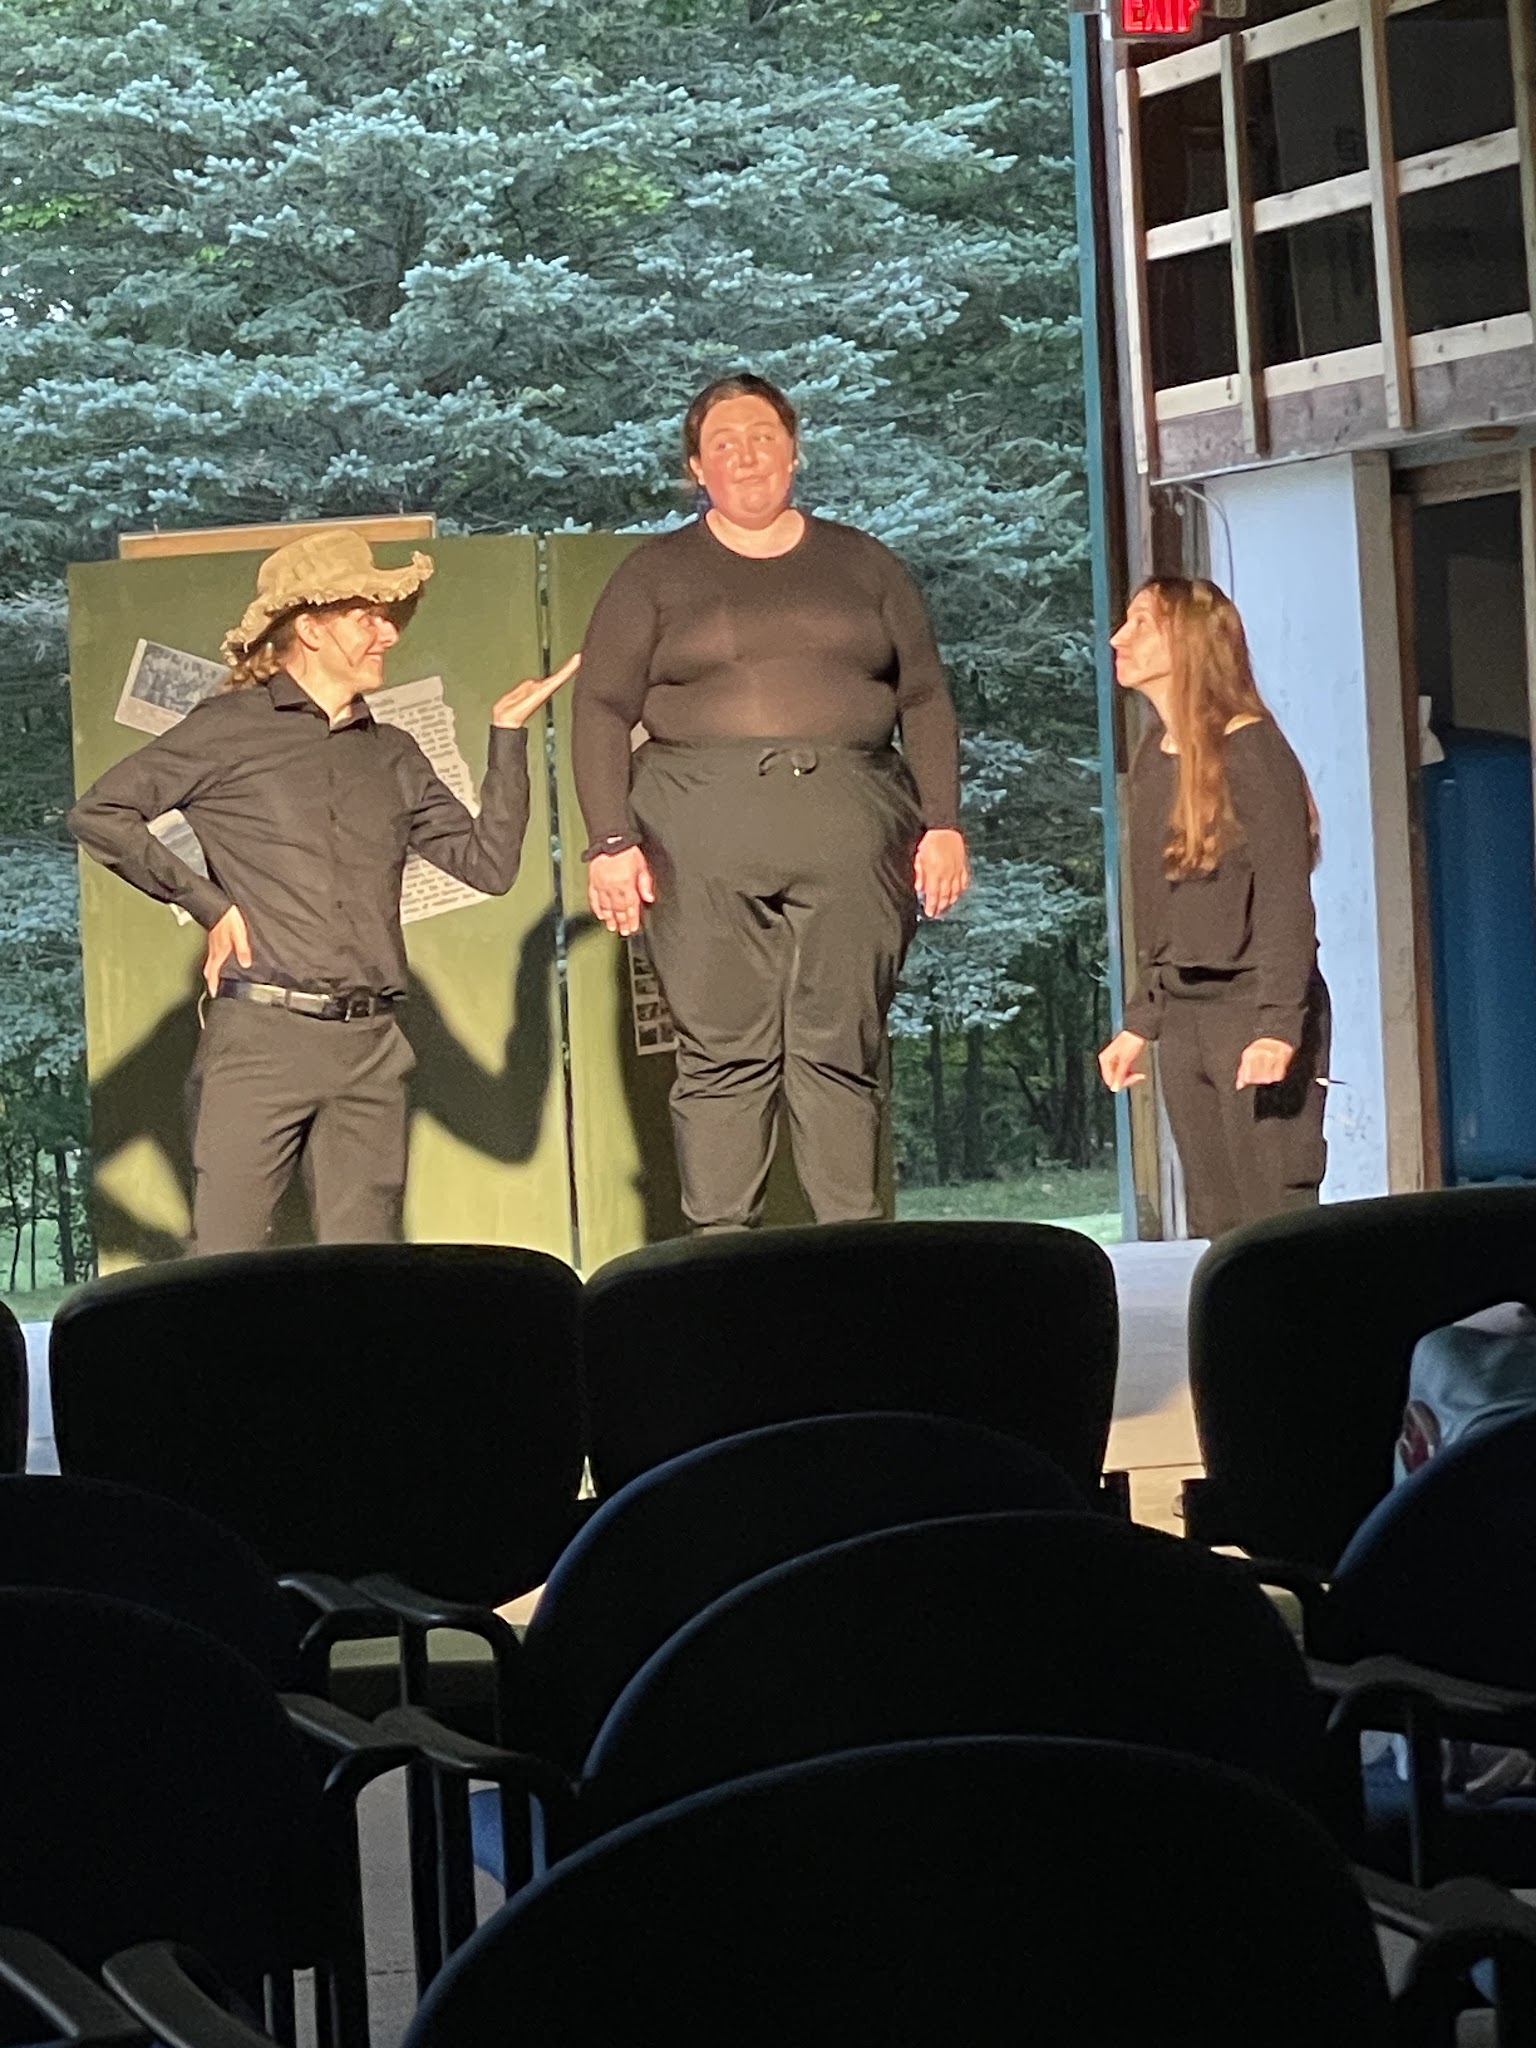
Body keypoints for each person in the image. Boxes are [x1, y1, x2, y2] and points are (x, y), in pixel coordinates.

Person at [69, 526, 576, 1253]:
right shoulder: (228, 730)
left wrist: (507, 736)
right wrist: (209, 905)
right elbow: (100, 813)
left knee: (363, 1277)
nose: (386, 635)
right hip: (262, 1042)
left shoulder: (393, 754)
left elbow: (489, 866)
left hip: (372, 1046)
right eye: (365, 616)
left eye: (386, 617)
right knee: (227, 1263)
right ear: (308, 626)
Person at [572, 372, 969, 1231]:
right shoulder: (656, 574)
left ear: (794, 449)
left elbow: (926, 697)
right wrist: (610, 841)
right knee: (722, 1050)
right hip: (698, 830)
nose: (746, 454)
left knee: (840, 1046)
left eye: (762, 435)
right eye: (724, 442)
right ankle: (724, 1257)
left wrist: (942, 823)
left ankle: (852, 1250)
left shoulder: (864, 564)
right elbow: (601, 709)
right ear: (695, 467)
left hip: (852, 825)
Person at [1097, 576, 1328, 1238]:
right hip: (1188, 1019)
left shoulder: (1252, 750)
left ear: (1191, 641)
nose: (1120, 637)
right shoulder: (1152, 756)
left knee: (1272, 1218)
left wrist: (1279, 1027)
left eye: (1141, 623)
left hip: (1252, 1010)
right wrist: (1143, 1019)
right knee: (1213, 1220)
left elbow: (1288, 899)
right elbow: (1158, 910)